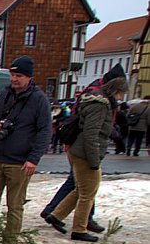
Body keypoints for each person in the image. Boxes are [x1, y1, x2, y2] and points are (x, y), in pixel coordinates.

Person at [39, 64, 126, 234]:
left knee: (78, 186)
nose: (122, 96)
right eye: (121, 92)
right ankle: (79, 226)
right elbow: (91, 132)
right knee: (85, 189)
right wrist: (95, 160)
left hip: (79, 147)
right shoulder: (99, 100)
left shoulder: (95, 94)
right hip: (83, 149)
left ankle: (55, 214)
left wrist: (113, 134)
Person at [0, 55, 51, 236]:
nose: (14, 79)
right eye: (12, 75)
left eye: (19, 76)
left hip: (20, 163)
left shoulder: (39, 100)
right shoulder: (4, 94)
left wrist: (33, 159)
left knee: (14, 206)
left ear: (29, 77)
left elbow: (44, 131)